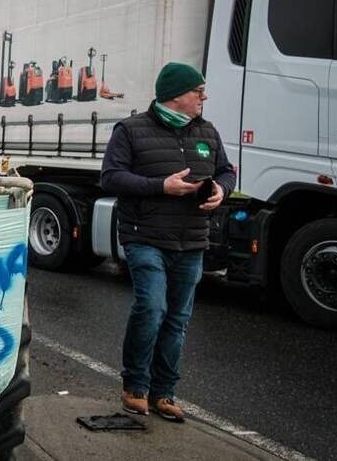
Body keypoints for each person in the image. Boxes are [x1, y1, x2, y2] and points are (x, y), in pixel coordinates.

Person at [100, 62, 235, 423]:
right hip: (145, 236)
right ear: (176, 95)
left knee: (178, 318)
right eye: (198, 91)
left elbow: (226, 170)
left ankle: (164, 392)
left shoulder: (207, 131)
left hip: (191, 240)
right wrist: (161, 186)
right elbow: (110, 177)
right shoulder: (130, 130)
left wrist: (222, 190)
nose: (204, 97)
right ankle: (135, 386)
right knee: (151, 307)